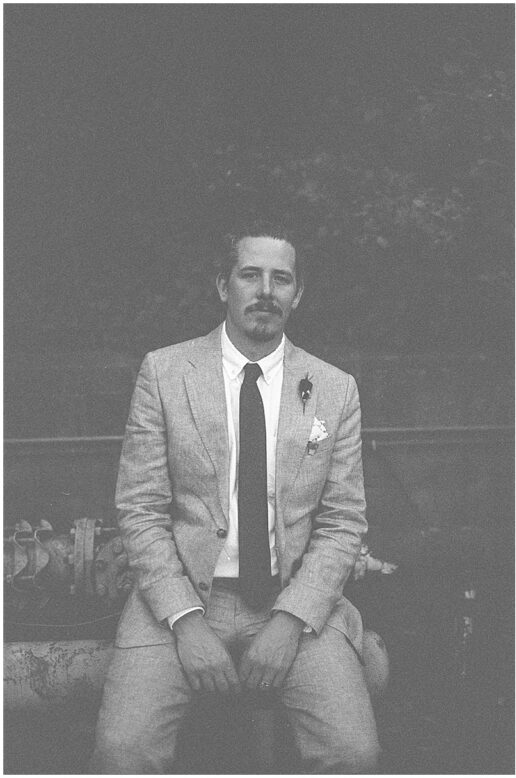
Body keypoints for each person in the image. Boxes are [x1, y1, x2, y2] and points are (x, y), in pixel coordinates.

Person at [91, 220, 380, 772]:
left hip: (292, 597)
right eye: (251, 275)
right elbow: (140, 509)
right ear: (223, 286)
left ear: (298, 295)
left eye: (281, 279)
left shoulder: (334, 387)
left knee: (353, 752)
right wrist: (185, 620)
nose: (266, 291)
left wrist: (291, 619)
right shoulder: (166, 371)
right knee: (122, 751)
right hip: (177, 600)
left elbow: (344, 522)